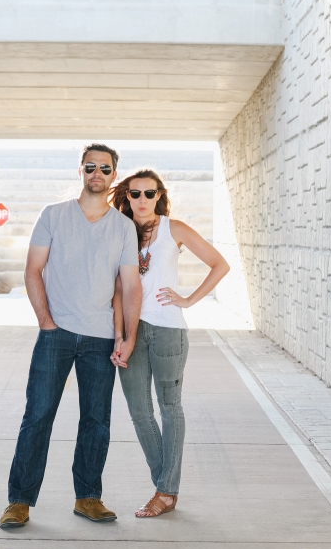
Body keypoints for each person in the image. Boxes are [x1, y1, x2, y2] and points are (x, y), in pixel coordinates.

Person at [0, 143, 142, 529]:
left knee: (96, 420)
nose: (98, 173)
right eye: (91, 166)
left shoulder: (123, 227)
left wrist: (127, 336)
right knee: (37, 417)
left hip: (100, 339)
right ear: (80, 170)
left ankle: (88, 498)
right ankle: (20, 501)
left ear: (114, 176)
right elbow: (33, 270)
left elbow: (131, 287)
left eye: (106, 168)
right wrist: (46, 322)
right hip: (56, 334)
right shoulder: (53, 215)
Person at [110, 168, 230, 518]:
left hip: (167, 330)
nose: (143, 200)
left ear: (159, 195)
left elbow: (219, 264)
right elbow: (118, 290)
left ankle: (164, 492)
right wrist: (119, 335)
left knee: (169, 408)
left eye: (150, 193)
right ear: (127, 197)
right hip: (132, 332)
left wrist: (189, 300)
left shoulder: (173, 229)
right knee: (139, 411)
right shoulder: (119, 231)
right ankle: (167, 487)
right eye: (136, 194)